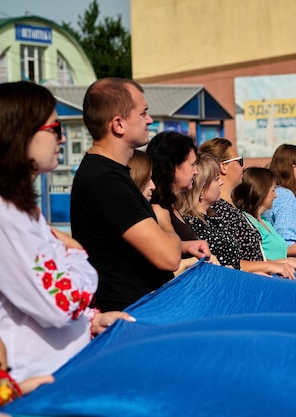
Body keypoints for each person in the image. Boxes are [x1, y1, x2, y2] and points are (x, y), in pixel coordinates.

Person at [0, 81, 133, 383]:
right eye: (55, 128)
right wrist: (78, 254)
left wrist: (91, 320)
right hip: (37, 386)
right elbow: (58, 304)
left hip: (60, 372)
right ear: (21, 133)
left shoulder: (21, 211)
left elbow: (42, 296)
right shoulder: (5, 216)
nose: (61, 139)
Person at [71, 78, 204, 312]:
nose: (150, 120)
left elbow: (124, 247)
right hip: (131, 317)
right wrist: (163, 222)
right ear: (118, 124)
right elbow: (168, 258)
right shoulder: (106, 180)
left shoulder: (112, 174)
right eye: (143, 113)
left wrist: (182, 246)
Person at [199, 138, 296, 275]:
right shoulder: (218, 209)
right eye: (239, 161)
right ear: (224, 166)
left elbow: (251, 257)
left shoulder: (231, 206)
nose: (243, 167)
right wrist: (271, 266)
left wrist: (278, 263)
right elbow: (232, 262)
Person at [146, 131, 212, 275]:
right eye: (192, 165)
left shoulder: (170, 206)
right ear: (173, 167)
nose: (196, 171)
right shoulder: (158, 209)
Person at [233, 168, 296, 275]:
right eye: (273, 190)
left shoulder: (264, 221)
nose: (275, 195)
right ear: (261, 191)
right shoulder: (247, 222)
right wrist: (281, 263)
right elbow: (253, 259)